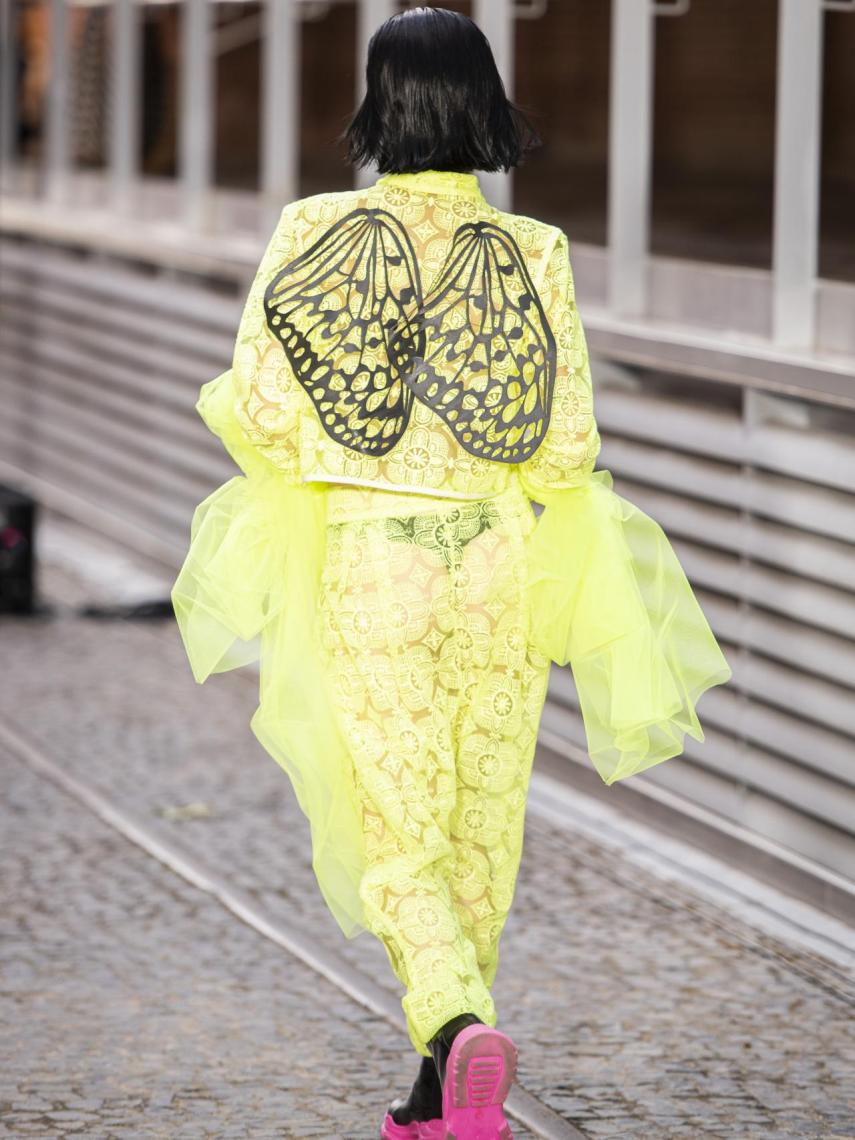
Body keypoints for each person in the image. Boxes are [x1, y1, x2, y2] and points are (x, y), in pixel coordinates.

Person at [171, 8, 732, 1139]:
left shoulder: (312, 231)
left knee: (397, 829)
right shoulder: (538, 253)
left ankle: (451, 1028)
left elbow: (268, 414)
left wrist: (260, 414)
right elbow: (566, 447)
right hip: (498, 566)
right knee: (482, 826)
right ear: (485, 105)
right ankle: (443, 1093)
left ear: (382, 106)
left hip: (373, 566)